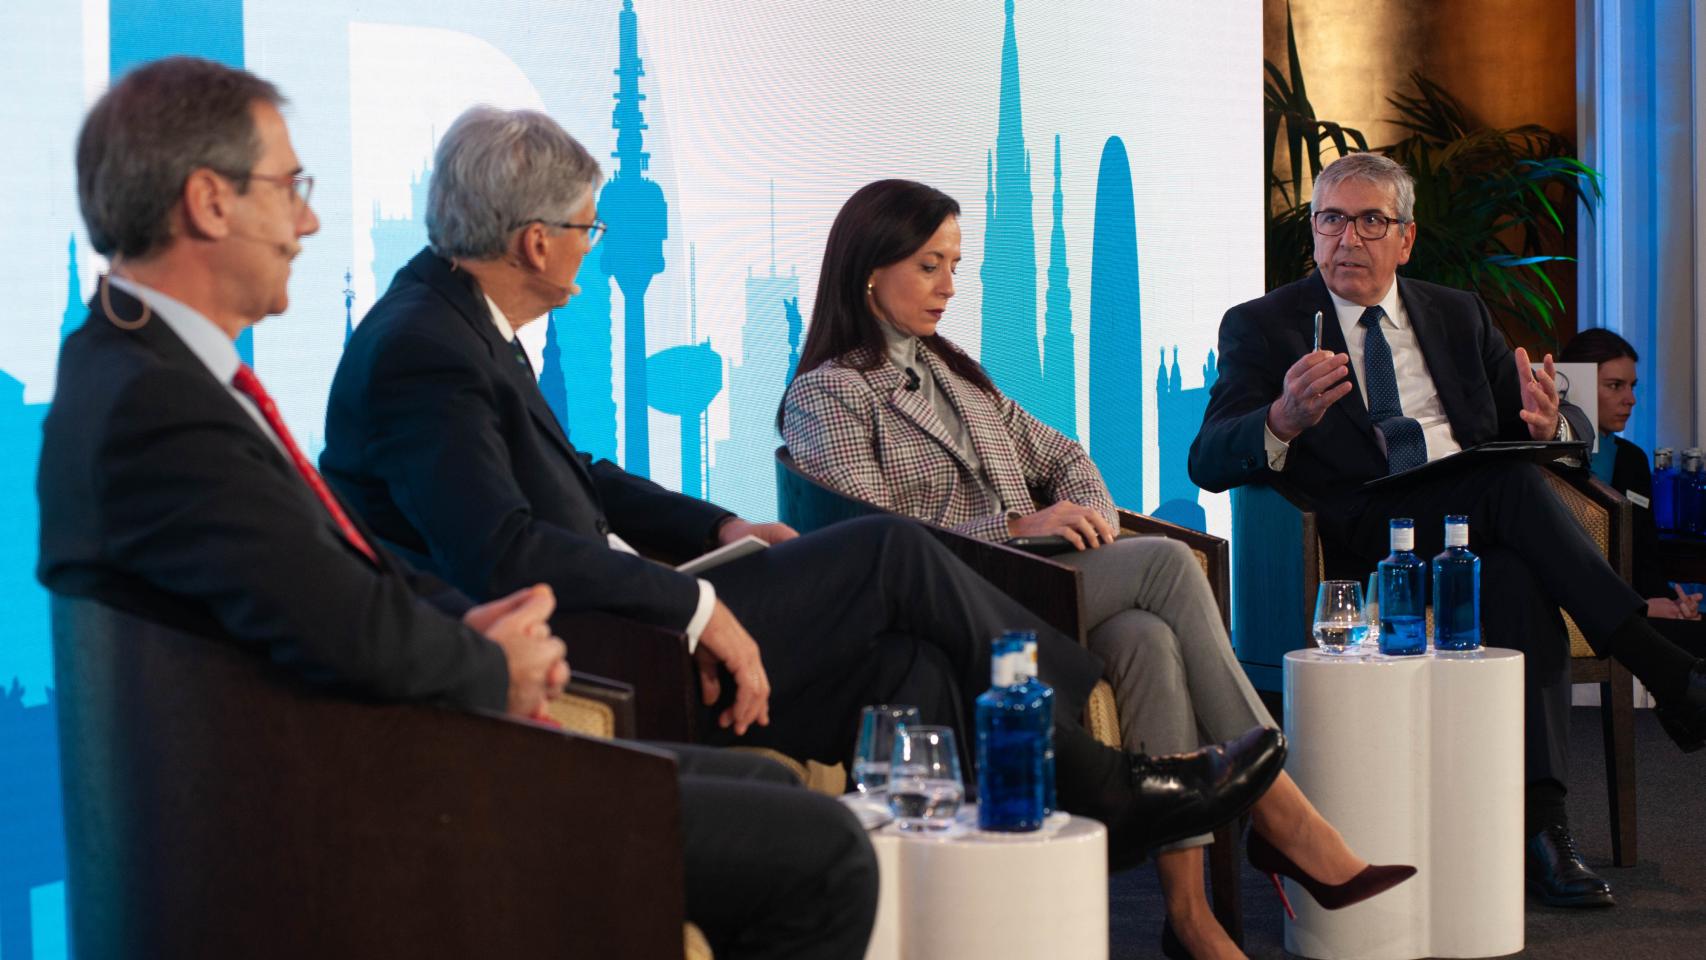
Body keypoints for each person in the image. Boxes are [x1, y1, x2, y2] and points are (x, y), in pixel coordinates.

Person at [36, 56, 879, 960]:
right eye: (289, 189)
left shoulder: (144, 374)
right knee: (824, 853)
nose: (309, 220)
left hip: (353, 762)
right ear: (209, 201)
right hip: (353, 810)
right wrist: (487, 662)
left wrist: (476, 622)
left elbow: (339, 568)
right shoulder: (155, 406)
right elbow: (340, 620)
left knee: (773, 789)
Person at [319, 105, 1288, 872]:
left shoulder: (459, 327)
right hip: (607, 647)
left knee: (909, 665)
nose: (591, 245)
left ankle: (955, 900)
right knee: (887, 550)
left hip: (631, 616)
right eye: (585, 226)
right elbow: (502, 555)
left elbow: (581, 479)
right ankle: (1101, 766)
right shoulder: (426, 350)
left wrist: (725, 523)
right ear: (534, 239)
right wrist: (697, 604)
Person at [780, 179, 1412, 959]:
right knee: (1166, 566)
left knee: (1149, 635)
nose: (949, 286)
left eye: (956, 264)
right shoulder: (829, 395)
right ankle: (1284, 814)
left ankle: (1189, 917)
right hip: (953, 605)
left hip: (1040, 585)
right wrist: (1017, 525)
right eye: (928, 265)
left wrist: (1078, 518)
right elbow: (873, 544)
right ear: (868, 270)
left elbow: (1066, 456)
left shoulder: (955, 373)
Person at [1189, 152, 1706, 910]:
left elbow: (1558, 425)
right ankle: (1665, 670)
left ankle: (1544, 830)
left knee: (1514, 568)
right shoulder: (1264, 326)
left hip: (1469, 522)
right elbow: (1207, 457)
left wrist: (1550, 420)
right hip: (1363, 534)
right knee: (1507, 483)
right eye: (1331, 219)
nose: (1348, 239)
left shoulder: (1456, 314)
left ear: (1406, 238)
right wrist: (1280, 419)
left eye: (1371, 221)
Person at [1558, 330, 1706, 644]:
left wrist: (1675, 603)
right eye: (1615, 386)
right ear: (1578, 385)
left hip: (1635, 608)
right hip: (1587, 611)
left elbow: (1645, 557)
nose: (1631, 399)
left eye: (1632, 386)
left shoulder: (1632, 459)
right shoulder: (1549, 461)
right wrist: (1639, 607)